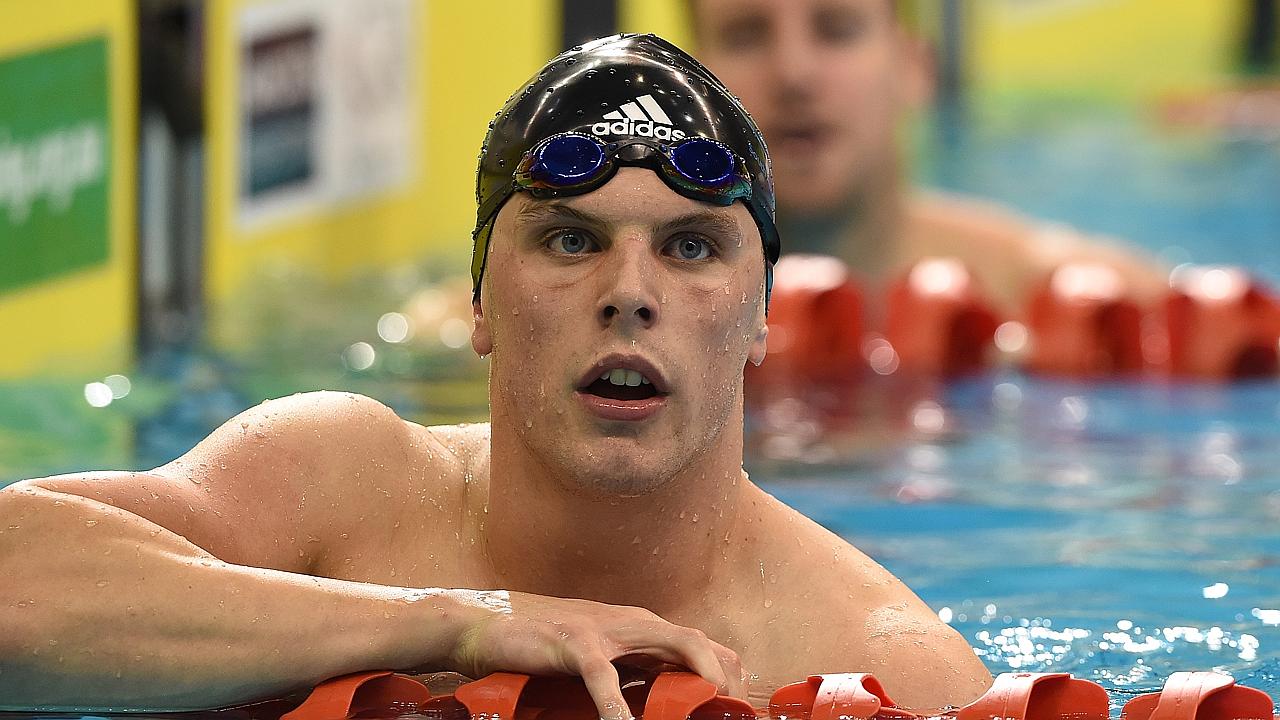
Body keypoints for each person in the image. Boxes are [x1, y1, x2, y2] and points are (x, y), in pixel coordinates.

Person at [0, 34, 990, 715]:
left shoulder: (876, 669)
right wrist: (464, 625)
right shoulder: (339, 491)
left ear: (763, 316)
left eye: (690, 249)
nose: (629, 293)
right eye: (570, 240)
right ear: (478, 302)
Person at [689, 0, 1170, 320]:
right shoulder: (636, 306)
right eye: (745, 37)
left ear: (915, 68)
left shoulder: (1056, 296)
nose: (794, 73)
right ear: (686, 88)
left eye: (837, 31)